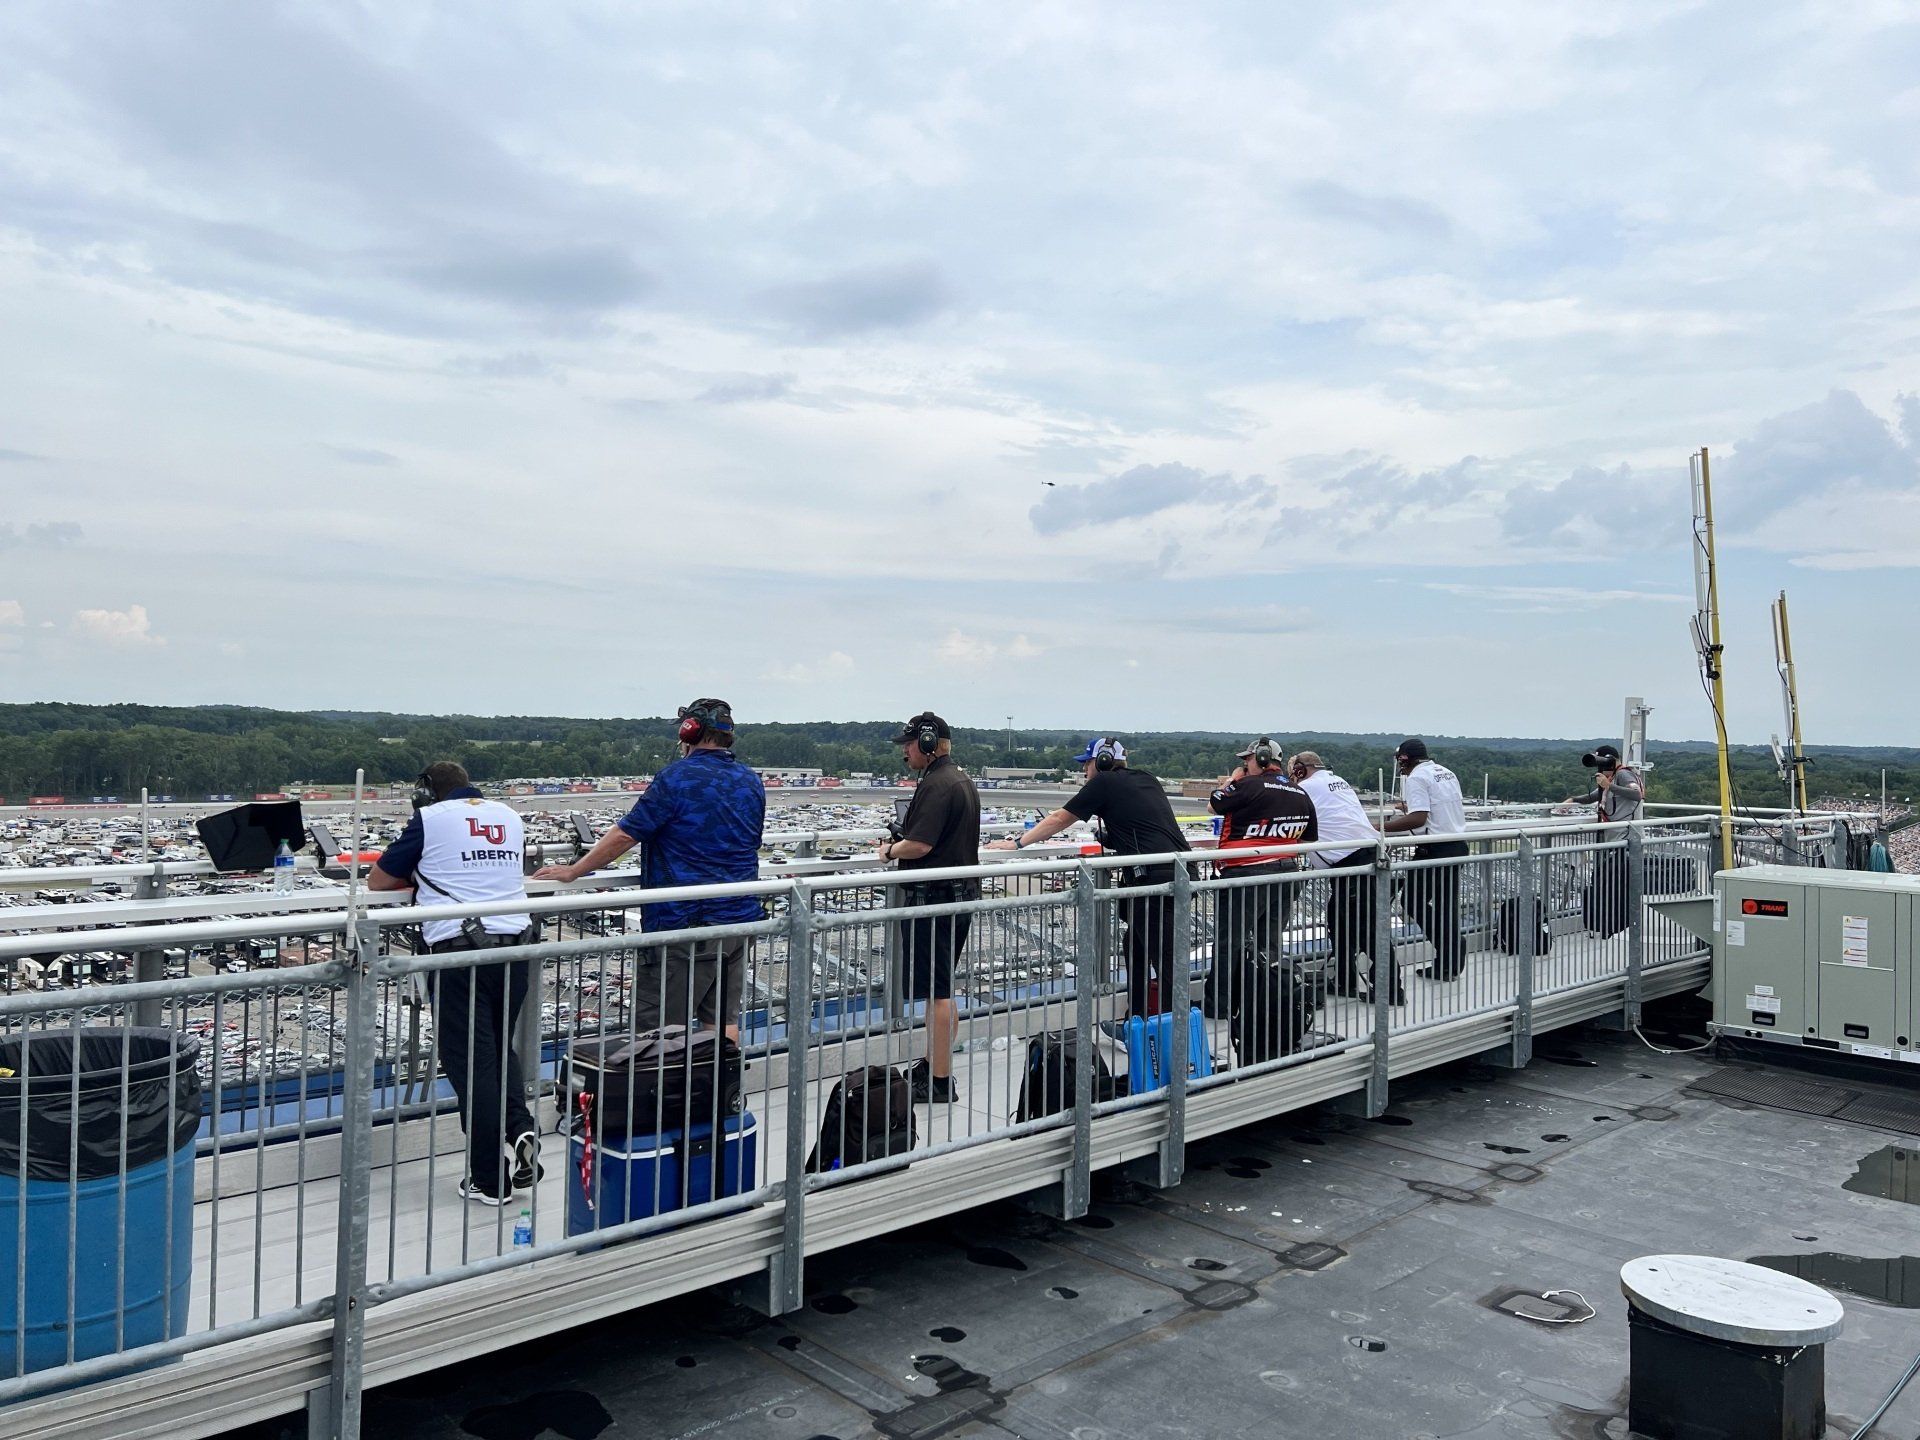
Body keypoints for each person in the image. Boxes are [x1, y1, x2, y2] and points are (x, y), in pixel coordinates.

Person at [534, 699, 765, 1043]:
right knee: (721, 1023)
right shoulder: (751, 780)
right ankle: (718, 1093)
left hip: (685, 925)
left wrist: (574, 870)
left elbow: (626, 833)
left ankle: (660, 1097)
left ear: (690, 731)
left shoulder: (676, 777)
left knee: (655, 1033)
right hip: (738, 920)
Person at [369, 761, 537, 1206]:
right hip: (516, 946)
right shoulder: (508, 815)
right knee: (501, 1050)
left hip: (459, 951)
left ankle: (489, 1178)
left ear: (425, 792)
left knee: (471, 1063)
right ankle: (521, 1128)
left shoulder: (429, 819)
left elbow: (380, 880)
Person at [991, 737, 1189, 1018]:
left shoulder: (1105, 782)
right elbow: (1147, 823)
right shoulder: (1146, 778)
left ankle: (1174, 1035)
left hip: (1154, 881)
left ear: (1103, 761)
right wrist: (1111, 836)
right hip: (1176, 873)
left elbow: (1061, 818)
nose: (1085, 771)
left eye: (1087, 764)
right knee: (1135, 946)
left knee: (1164, 959)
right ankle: (1138, 1018)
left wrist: (1018, 843)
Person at [879, 712, 980, 1104]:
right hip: (959, 894)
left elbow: (919, 845)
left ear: (926, 742)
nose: (905, 752)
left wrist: (889, 851)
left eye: (908, 744)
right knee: (945, 989)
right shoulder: (960, 779)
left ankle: (938, 1081)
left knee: (936, 992)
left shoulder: (937, 785)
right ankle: (934, 1063)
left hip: (934, 899)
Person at [1207, 739, 1317, 1037]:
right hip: (1286, 872)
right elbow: (1309, 838)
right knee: (1269, 943)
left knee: (1230, 940)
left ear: (1262, 758)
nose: (1245, 765)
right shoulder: (1299, 791)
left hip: (1246, 873)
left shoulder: (1249, 785)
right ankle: (1267, 996)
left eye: (1248, 761)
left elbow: (1214, 803)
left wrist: (1234, 780)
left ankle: (1219, 1004)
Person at [1290, 751, 1402, 1005]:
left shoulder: (1306, 787)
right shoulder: (1337, 781)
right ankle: (1344, 979)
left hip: (1353, 864)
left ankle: (1391, 990)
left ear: (1299, 770)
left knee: (1367, 929)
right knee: (1339, 920)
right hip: (1365, 856)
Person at [1381, 738, 1469, 982]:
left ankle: (1450, 945)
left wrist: (1380, 827)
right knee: (1446, 908)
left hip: (1434, 849)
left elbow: (1419, 820)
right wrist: (1410, 807)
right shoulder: (1446, 772)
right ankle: (1448, 961)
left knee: (1412, 900)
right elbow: (1435, 809)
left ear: (1404, 759)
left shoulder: (1417, 777)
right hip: (1456, 844)